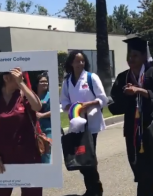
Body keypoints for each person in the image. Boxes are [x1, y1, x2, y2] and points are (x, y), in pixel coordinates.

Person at [108, 37, 153, 196]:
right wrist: (126, 94)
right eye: (129, 55)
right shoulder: (124, 77)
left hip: (151, 127)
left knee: (149, 166)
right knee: (136, 164)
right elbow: (114, 106)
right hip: (132, 129)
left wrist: (140, 91)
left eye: (135, 55)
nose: (131, 59)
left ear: (144, 56)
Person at [0, 68, 43, 196]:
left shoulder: (24, 95)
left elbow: (37, 106)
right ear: (6, 78)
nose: (21, 78)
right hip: (2, 158)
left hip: (28, 157)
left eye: (22, 77)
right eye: (17, 77)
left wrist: (21, 84)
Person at [60, 50, 108, 196]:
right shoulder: (67, 81)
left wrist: (87, 105)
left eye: (82, 61)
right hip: (76, 125)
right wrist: (71, 108)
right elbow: (64, 101)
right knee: (81, 158)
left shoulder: (91, 77)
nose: (80, 63)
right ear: (71, 63)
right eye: (77, 61)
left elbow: (103, 99)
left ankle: (95, 189)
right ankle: (92, 187)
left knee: (88, 156)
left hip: (91, 124)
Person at [32, 72, 51, 163]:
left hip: (48, 130)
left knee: (46, 154)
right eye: (42, 82)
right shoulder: (32, 96)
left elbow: (55, 111)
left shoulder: (50, 95)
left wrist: (42, 115)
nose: (45, 83)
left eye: (46, 81)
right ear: (37, 84)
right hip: (35, 131)